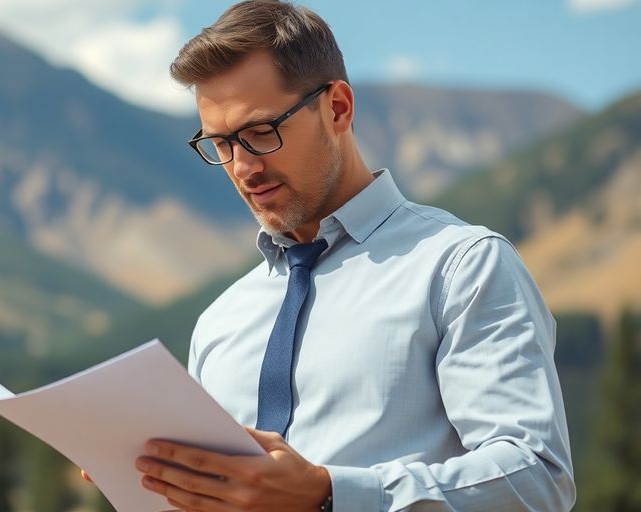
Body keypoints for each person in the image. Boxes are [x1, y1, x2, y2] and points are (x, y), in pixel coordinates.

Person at [123, 1, 575, 511]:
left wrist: (328, 493)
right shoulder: (218, 322)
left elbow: (537, 479)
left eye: (259, 133)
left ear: (337, 107)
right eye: (221, 143)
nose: (243, 168)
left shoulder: (462, 267)